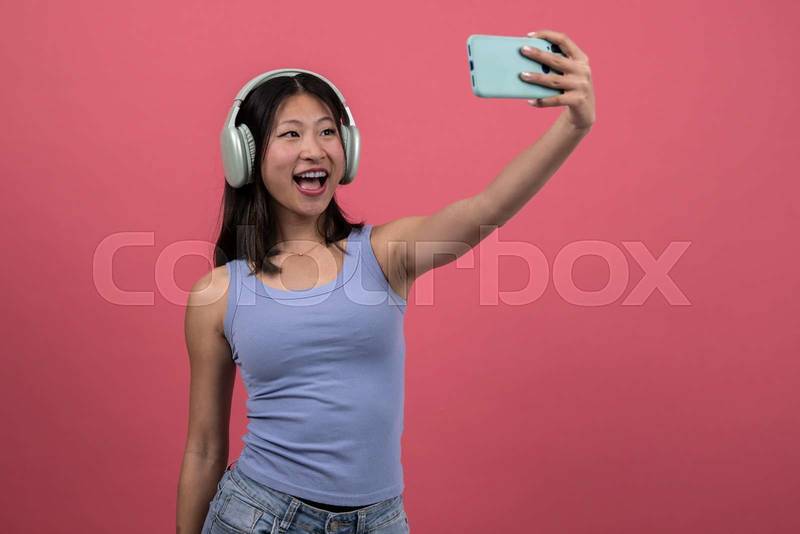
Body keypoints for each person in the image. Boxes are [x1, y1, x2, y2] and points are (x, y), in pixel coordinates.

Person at [177, 29, 595, 534]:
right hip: (257, 517)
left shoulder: (384, 254)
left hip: (380, 522)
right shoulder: (217, 294)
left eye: (327, 131)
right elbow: (204, 448)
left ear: (347, 147)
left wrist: (573, 125)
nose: (314, 149)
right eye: (290, 134)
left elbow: (488, 208)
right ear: (246, 155)